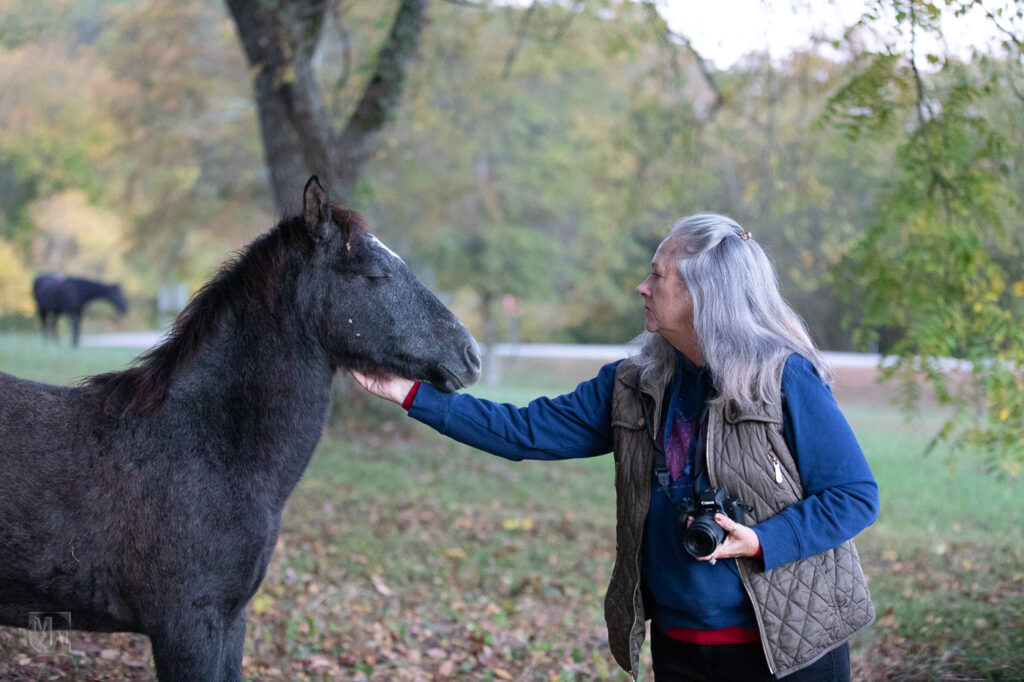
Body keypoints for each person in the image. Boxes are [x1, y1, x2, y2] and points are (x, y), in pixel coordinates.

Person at [351, 212, 878, 681]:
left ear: (704, 293)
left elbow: (854, 495)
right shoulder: (633, 383)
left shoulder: (784, 378)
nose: (642, 288)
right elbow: (524, 431)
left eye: (658, 276)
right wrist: (408, 393)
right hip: (682, 645)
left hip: (788, 647)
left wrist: (763, 541)